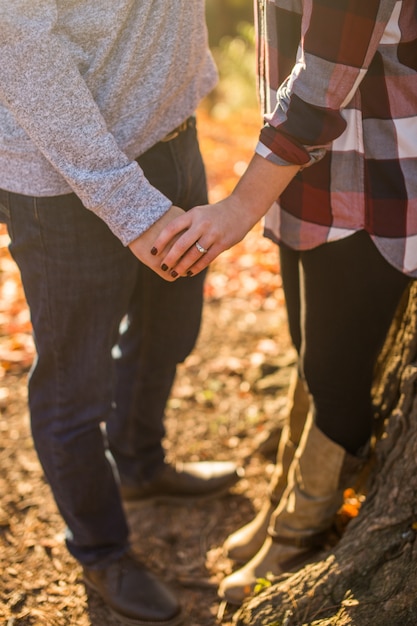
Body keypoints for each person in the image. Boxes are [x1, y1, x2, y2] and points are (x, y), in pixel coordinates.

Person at [152, 0, 417, 606]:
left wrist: (238, 207)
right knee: (309, 353)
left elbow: (321, 83)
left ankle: (297, 532)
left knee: (335, 378)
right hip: (303, 175)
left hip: (374, 181)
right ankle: (284, 499)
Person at [0, 2, 244, 624]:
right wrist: (131, 205)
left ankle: (139, 463)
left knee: (171, 331)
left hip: (174, 139)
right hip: (62, 178)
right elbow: (25, 60)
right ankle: (103, 549)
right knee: (74, 383)